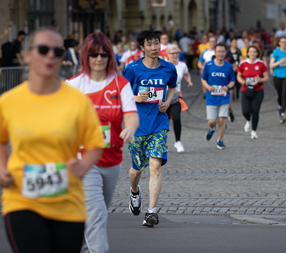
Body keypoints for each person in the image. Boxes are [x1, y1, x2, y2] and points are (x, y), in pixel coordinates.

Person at [0, 27, 104, 252]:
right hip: (22, 199)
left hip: (68, 203)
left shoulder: (77, 102)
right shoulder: (9, 102)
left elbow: (95, 144)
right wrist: (1, 167)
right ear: (27, 55)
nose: (50, 56)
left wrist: (83, 165)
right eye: (43, 49)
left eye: (58, 52)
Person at [66, 32, 139, 252]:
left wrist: (130, 128)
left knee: (95, 216)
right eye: (94, 54)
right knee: (96, 215)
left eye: (104, 54)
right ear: (85, 57)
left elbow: (131, 115)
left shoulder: (120, 83)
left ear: (110, 57)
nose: (99, 59)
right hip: (84, 162)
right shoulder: (74, 85)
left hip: (112, 161)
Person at [122, 25, 177, 227]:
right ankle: (134, 192)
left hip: (159, 124)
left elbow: (172, 87)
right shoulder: (132, 69)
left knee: (155, 167)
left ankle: (151, 211)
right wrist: (137, 97)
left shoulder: (168, 68)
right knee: (137, 169)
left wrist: (168, 102)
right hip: (137, 126)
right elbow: (122, 94)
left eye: (156, 43)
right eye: (150, 44)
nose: (154, 47)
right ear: (142, 47)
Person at [202, 43, 235, 149]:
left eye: (223, 51)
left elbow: (232, 80)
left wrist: (228, 87)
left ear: (225, 53)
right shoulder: (208, 65)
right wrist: (208, 87)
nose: (221, 54)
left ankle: (220, 140)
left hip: (224, 97)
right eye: (218, 51)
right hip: (211, 97)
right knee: (211, 121)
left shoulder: (228, 66)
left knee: (222, 120)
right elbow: (203, 79)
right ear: (215, 53)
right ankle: (212, 129)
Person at [237, 45, 269, 139]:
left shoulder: (261, 63)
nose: (252, 54)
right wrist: (242, 82)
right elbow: (238, 76)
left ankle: (254, 131)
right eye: (250, 52)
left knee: (255, 111)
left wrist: (260, 80)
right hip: (245, 89)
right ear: (247, 53)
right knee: (245, 110)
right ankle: (248, 119)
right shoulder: (243, 63)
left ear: (257, 53)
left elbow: (266, 78)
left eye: (254, 52)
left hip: (258, 90)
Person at [166, 45, 193, 152]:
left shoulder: (182, 65)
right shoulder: (163, 65)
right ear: (167, 55)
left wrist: (188, 80)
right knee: (164, 121)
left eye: (177, 53)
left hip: (176, 96)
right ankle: (162, 143)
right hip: (163, 97)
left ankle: (178, 142)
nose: (175, 55)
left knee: (176, 118)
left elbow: (186, 74)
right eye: (173, 53)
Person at [270, 36, 286, 123]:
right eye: (282, 42)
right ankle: (279, 106)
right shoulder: (276, 52)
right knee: (279, 94)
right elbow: (271, 65)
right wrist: (280, 62)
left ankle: (283, 113)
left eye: (285, 42)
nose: (284, 44)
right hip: (277, 75)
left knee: (284, 94)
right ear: (279, 43)